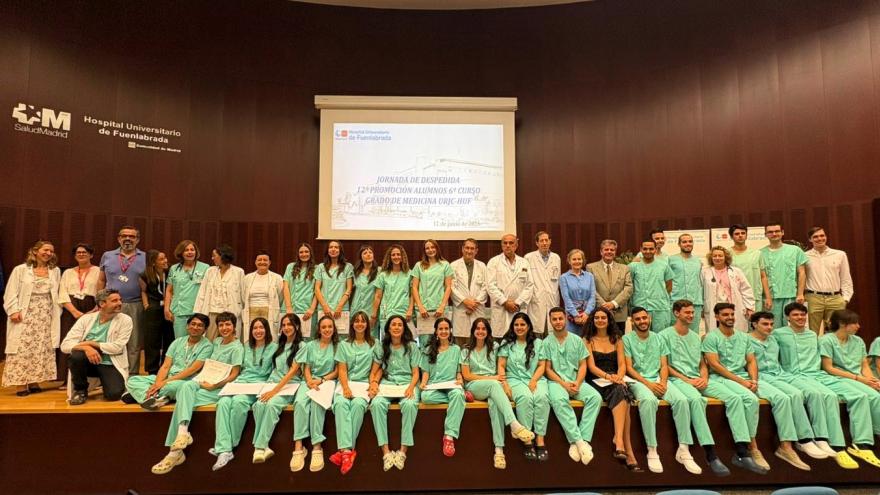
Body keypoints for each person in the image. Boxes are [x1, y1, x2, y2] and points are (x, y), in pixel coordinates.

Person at [150, 311, 243, 474]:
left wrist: (215, 385)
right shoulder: (217, 342)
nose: (224, 328)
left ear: (234, 327)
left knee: (182, 400)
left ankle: (174, 453)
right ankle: (183, 432)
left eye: (228, 324)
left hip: (221, 388)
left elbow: (234, 374)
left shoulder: (237, 347)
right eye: (221, 325)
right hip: (205, 383)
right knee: (186, 388)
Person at [774, 302, 859, 468]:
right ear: (787, 318)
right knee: (815, 394)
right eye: (796, 315)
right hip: (792, 375)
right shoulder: (778, 334)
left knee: (831, 395)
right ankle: (806, 439)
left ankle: (829, 441)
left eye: (802, 315)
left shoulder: (813, 335)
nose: (800, 318)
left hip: (814, 375)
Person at [624, 306, 704, 475]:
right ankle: (652, 449)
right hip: (639, 381)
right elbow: (630, 369)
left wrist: (663, 382)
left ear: (649, 319)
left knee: (681, 400)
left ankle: (683, 449)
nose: (642, 321)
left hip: (660, 380)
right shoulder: (627, 340)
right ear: (632, 321)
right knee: (649, 401)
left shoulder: (658, 338)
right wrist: (649, 384)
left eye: (644, 318)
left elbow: (663, 365)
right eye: (637, 319)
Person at [746, 311, 828, 470]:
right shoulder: (745, 340)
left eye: (771, 324)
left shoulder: (774, 339)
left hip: (780, 374)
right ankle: (786, 446)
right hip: (760, 376)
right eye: (765, 324)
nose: (769, 327)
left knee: (797, 394)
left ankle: (805, 439)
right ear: (755, 324)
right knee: (782, 399)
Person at [659, 301, 731, 476]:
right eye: (687, 313)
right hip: (678, 380)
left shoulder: (695, 336)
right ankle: (710, 453)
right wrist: (687, 380)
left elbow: (702, 363)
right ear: (676, 313)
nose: (691, 316)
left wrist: (704, 377)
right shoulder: (663, 335)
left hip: (698, 379)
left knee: (733, 396)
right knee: (697, 400)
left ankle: (743, 449)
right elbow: (665, 366)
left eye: (692, 313)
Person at [701, 302, 768, 474]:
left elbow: (751, 360)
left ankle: (749, 447)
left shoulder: (744, 337)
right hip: (719, 378)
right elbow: (715, 365)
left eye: (731, 314)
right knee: (736, 399)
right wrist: (742, 382)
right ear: (716, 317)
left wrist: (753, 380)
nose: (730, 317)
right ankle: (742, 451)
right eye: (725, 315)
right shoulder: (711, 337)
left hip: (742, 378)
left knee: (752, 400)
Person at [460, 317, 535, 469]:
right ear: (473, 331)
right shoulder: (466, 349)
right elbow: (467, 375)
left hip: (493, 387)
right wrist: (492, 378)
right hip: (474, 386)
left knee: (495, 404)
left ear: (488, 331)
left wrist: (498, 381)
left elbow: (501, 368)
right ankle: (514, 424)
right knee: (494, 385)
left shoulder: (494, 346)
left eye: (484, 329)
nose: (480, 331)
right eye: (478, 328)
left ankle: (499, 451)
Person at [210, 317, 276, 471]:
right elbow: (238, 370)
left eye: (261, 327)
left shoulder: (274, 347)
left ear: (267, 329)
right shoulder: (245, 346)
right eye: (255, 328)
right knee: (223, 402)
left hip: (257, 385)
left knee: (239, 402)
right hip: (240, 382)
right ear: (250, 331)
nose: (258, 331)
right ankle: (224, 448)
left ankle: (227, 447)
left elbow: (275, 371)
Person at [819, 309, 880, 467]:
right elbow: (828, 368)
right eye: (854, 323)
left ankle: (875, 434)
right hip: (837, 377)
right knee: (861, 396)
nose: (858, 326)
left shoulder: (858, 341)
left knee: (875, 395)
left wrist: (871, 379)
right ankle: (861, 443)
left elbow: (864, 365)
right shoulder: (827, 340)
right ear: (842, 324)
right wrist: (859, 379)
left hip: (858, 377)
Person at [583, 307, 641, 472]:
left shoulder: (617, 339)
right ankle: (625, 447)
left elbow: (622, 364)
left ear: (609, 320)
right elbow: (591, 367)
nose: (600, 320)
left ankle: (621, 442)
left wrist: (618, 376)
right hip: (596, 380)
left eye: (603, 317)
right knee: (623, 395)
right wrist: (610, 378)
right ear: (592, 320)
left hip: (615, 379)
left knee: (622, 391)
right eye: (597, 318)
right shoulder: (587, 340)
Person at [544, 306, 602, 466]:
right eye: (554, 319)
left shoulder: (576, 340)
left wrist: (577, 381)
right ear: (550, 321)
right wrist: (563, 384)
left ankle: (581, 441)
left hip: (576, 381)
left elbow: (583, 365)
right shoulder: (546, 342)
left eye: (560, 318)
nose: (557, 322)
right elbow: (547, 369)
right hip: (556, 382)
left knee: (595, 398)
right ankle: (579, 441)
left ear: (565, 319)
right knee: (559, 401)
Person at [2, 240, 62, 396]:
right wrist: (13, 310)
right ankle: (21, 384)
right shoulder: (21, 270)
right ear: (35, 251)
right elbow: (10, 292)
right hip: (25, 314)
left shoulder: (54, 271)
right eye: (45, 250)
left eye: (51, 251)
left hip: (46, 315)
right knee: (22, 349)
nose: (48, 253)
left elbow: (57, 294)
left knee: (41, 347)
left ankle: (35, 380)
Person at [123, 313, 213, 409]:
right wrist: (157, 383)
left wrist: (164, 383)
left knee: (171, 388)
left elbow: (192, 370)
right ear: (187, 326)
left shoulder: (207, 346)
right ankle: (156, 398)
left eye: (200, 325)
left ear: (205, 329)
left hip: (186, 380)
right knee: (132, 380)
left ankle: (145, 396)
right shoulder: (177, 342)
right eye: (193, 324)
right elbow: (166, 366)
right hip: (168, 377)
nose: (195, 327)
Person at [60, 289, 132, 405]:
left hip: (110, 362)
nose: (119, 303)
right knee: (76, 355)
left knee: (114, 395)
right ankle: (80, 390)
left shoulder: (125, 320)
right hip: (89, 364)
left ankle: (104, 381)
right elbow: (65, 346)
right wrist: (86, 348)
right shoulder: (86, 319)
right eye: (114, 301)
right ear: (102, 304)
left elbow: (117, 347)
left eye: (120, 300)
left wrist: (90, 343)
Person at [251, 314, 305, 464]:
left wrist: (274, 391)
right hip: (272, 383)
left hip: (289, 385)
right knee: (258, 405)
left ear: (297, 327)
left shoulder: (301, 346)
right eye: (284, 325)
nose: (286, 327)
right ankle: (263, 447)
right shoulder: (279, 345)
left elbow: (292, 371)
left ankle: (259, 447)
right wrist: (270, 387)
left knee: (272, 405)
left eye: (290, 324)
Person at [369, 315, 420, 471]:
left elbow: (416, 373)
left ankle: (402, 452)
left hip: (407, 384)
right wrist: (373, 384)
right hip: (388, 384)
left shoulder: (411, 347)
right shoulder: (381, 347)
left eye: (400, 325)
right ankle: (386, 452)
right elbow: (374, 371)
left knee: (410, 405)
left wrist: (411, 387)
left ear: (404, 328)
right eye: (393, 325)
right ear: (388, 328)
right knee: (376, 404)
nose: (397, 327)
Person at [290, 314, 340, 472]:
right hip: (309, 381)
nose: (327, 330)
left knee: (317, 403)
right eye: (324, 327)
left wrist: (322, 380)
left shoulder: (339, 346)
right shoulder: (310, 345)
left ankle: (316, 445)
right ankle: (298, 445)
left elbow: (338, 370)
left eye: (330, 327)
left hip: (328, 382)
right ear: (318, 329)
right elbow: (307, 367)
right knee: (299, 403)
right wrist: (310, 381)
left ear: (334, 329)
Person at [498, 313, 550, 462]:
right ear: (512, 327)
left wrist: (534, 380)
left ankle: (540, 440)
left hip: (536, 378)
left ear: (528, 327)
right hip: (514, 380)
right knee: (525, 398)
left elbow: (542, 365)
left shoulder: (539, 343)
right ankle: (527, 439)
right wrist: (505, 384)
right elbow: (501, 365)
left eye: (522, 325)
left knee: (542, 397)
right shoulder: (507, 343)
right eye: (516, 325)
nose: (519, 328)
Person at [330, 311, 375, 474]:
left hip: (363, 385)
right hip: (346, 384)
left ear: (367, 325)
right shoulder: (344, 344)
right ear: (352, 324)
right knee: (341, 404)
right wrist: (346, 387)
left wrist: (373, 383)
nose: (360, 324)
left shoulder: (374, 344)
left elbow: (376, 369)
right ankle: (348, 452)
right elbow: (342, 369)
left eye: (363, 321)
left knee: (357, 406)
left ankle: (344, 451)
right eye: (356, 321)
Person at [99, 226, 146, 375]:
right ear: (118, 238)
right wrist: (99, 302)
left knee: (134, 342)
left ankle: (131, 376)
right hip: (109, 306)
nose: (127, 239)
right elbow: (101, 280)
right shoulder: (107, 256)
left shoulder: (145, 257)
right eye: (124, 236)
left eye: (132, 236)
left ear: (137, 240)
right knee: (109, 339)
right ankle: (110, 374)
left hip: (135, 304)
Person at [419, 317, 465, 458]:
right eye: (441, 329)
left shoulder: (456, 349)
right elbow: (426, 372)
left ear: (450, 331)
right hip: (434, 385)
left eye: (446, 329)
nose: (444, 331)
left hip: (451, 385)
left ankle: (449, 436)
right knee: (425, 397)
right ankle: (461, 398)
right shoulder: (428, 350)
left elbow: (458, 371)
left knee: (456, 394)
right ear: (436, 331)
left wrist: (459, 379)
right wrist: (423, 383)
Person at [57, 243, 100, 384]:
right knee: (69, 339)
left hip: (91, 307)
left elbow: (101, 290)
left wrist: (96, 309)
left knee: (89, 339)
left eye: (84, 252)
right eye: (78, 252)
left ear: (91, 255)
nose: (81, 254)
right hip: (71, 309)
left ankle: (90, 377)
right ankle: (65, 379)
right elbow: (62, 293)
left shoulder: (98, 271)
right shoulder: (68, 272)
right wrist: (75, 312)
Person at [804, 227, 853, 333]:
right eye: (815, 237)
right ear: (810, 239)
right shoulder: (804, 256)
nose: (819, 238)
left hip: (835, 299)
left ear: (826, 237)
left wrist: (845, 299)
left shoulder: (840, 254)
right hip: (813, 298)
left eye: (822, 235)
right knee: (812, 333)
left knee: (836, 332)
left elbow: (846, 278)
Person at [487, 234, 534, 339]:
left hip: (518, 308)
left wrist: (517, 303)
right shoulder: (493, 262)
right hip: (501, 308)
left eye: (511, 243)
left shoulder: (524, 262)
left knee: (519, 339)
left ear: (516, 245)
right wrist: (505, 302)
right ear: (501, 245)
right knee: (500, 341)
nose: (508, 245)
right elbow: (490, 285)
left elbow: (529, 285)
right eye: (505, 243)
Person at [760, 222, 808, 328]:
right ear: (766, 235)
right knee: (772, 328)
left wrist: (800, 293)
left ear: (782, 232)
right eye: (770, 232)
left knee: (792, 328)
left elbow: (802, 273)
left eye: (777, 231)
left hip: (791, 295)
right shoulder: (760, 253)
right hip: (771, 298)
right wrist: (768, 297)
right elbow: (763, 277)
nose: (774, 234)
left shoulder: (795, 250)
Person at [194, 244, 244, 340]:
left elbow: (242, 295)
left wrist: (240, 312)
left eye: (214, 255)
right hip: (212, 312)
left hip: (230, 313)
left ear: (223, 255)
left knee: (230, 341)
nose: (212, 258)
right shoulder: (210, 271)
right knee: (210, 340)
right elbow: (202, 293)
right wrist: (198, 313)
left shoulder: (238, 272)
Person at [701, 246, 755, 333]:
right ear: (711, 258)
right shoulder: (705, 272)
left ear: (725, 257)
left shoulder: (736, 271)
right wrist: (702, 308)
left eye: (720, 256)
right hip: (714, 309)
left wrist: (749, 307)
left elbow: (745, 290)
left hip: (733, 307)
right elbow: (701, 291)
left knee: (735, 332)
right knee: (716, 333)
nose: (717, 258)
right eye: (715, 256)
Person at [164, 240, 210, 340]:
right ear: (181, 253)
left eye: (192, 250)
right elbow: (169, 290)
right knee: (180, 341)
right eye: (186, 250)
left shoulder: (205, 268)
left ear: (196, 252)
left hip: (197, 311)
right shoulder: (174, 268)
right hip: (179, 312)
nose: (190, 252)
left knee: (197, 342)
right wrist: (166, 309)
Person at [411, 239, 454, 346]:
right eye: (427, 248)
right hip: (423, 311)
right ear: (424, 251)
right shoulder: (419, 265)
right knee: (425, 344)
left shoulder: (445, 265)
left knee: (441, 343)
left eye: (432, 247)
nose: (430, 250)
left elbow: (448, 287)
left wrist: (442, 306)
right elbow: (414, 287)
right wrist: (420, 306)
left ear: (437, 249)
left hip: (439, 310)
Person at [587, 239, 633, 334]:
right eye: (606, 249)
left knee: (618, 341)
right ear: (601, 251)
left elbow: (628, 288)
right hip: (599, 313)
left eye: (612, 250)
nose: (609, 252)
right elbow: (591, 289)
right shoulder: (590, 267)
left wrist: (613, 304)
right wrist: (604, 306)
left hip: (619, 314)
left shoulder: (624, 268)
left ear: (615, 252)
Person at [139, 250, 174, 375]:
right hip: (153, 309)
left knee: (169, 339)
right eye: (161, 259)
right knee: (152, 340)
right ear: (153, 263)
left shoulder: (171, 272)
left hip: (169, 308)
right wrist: (146, 305)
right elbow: (143, 291)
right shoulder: (145, 275)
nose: (165, 261)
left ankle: (166, 367)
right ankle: (152, 370)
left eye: (165, 258)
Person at [629, 239, 673, 332]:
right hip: (640, 307)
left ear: (655, 249)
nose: (648, 251)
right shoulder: (633, 266)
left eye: (651, 249)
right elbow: (629, 286)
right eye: (645, 249)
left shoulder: (664, 265)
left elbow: (669, 286)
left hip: (660, 309)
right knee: (640, 338)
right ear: (641, 249)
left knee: (661, 338)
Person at [450, 238, 488, 345]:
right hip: (461, 309)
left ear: (476, 251)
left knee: (478, 342)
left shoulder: (482, 266)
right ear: (462, 249)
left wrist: (474, 304)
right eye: (467, 248)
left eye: (472, 248)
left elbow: (486, 287)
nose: (469, 251)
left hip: (477, 309)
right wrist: (465, 301)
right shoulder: (454, 265)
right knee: (460, 344)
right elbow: (452, 287)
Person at [524, 231, 561, 335]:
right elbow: (526, 281)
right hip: (536, 298)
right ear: (537, 243)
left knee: (552, 331)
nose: (544, 243)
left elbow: (557, 279)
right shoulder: (529, 257)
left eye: (546, 240)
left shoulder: (556, 257)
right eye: (541, 241)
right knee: (536, 332)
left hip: (552, 297)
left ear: (550, 242)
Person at [314, 240, 354, 335]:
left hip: (341, 309)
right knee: (324, 336)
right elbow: (317, 289)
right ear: (327, 250)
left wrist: (340, 306)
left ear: (340, 250)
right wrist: (325, 306)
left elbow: (349, 288)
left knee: (340, 338)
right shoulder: (321, 267)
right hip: (324, 309)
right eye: (331, 247)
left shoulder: (347, 267)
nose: (333, 249)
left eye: (336, 247)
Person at [241, 250, 283, 339]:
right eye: (259, 260)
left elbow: (280, 297)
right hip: (251, 311)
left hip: (269, 312)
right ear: (255, 262)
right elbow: (243, 296)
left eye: (265, 260)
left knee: (269, 337)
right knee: (252, 337)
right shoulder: (247, 278)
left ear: (269, 262)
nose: (262, 262)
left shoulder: (277, 278)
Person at [372, 244, 413, 336]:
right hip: (386, 313)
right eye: (393, 255)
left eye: (398, 254)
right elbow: (378, 296)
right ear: (389, 258)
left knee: (403, 341)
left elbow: (412, 295)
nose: (396, 257)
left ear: (402, 257)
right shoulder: (383, 275)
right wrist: (374, 314)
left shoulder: (409, 274)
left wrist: (410, 310)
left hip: (403, 312)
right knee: (387, 341)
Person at [728, 224, 771, 313]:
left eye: (743, 233)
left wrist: (768, 297)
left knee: (754, 325)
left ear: (746, 235)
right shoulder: (727, 254)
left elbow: (763, 276)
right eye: (737, 234)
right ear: (731, 237)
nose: (740, 235)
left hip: (755, 297)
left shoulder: (757, 254)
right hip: (734, 297)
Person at [668, 234, 704, 332]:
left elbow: (700, 282)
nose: (687, 244)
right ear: (679, 244)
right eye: (684, 242)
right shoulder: (671, 260)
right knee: (675, 333)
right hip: (676, 301)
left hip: (695, 302)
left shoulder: (698, 261)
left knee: (693, 333)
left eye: (690, 241)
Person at [282, 243, 318, 338]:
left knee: (307, 338)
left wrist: (311, 309)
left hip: (307, 310)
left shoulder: (317, 269)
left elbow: (318, 291)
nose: (304, 254)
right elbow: (285, 287)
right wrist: (289, 307)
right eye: (301, 252)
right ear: (298, 254)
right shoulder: (290, 267)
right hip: (290, 308)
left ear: (311, 253)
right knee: (289, 337)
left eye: (306, 251)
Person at [558, 249, 595, 336]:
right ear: (569, 261)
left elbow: (592, 297)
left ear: (583, 260)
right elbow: (566, 299)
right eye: (574, 259)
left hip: (587, 316)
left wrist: (586, 313)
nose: (577, 261)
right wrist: (576, 315)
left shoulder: (590, 276)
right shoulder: (564, 277)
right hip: (572, 317)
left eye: (579, 259)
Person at [349, 245, 379, 338]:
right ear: (360, 257)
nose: (368, 255)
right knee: (355, 335)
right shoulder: (354, 272)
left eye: (370, 252)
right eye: (365, 253)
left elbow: (378, 294)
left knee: (371, 336)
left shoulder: (379, 272)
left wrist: (374, 314)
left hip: (371, 310)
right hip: (356, 308)